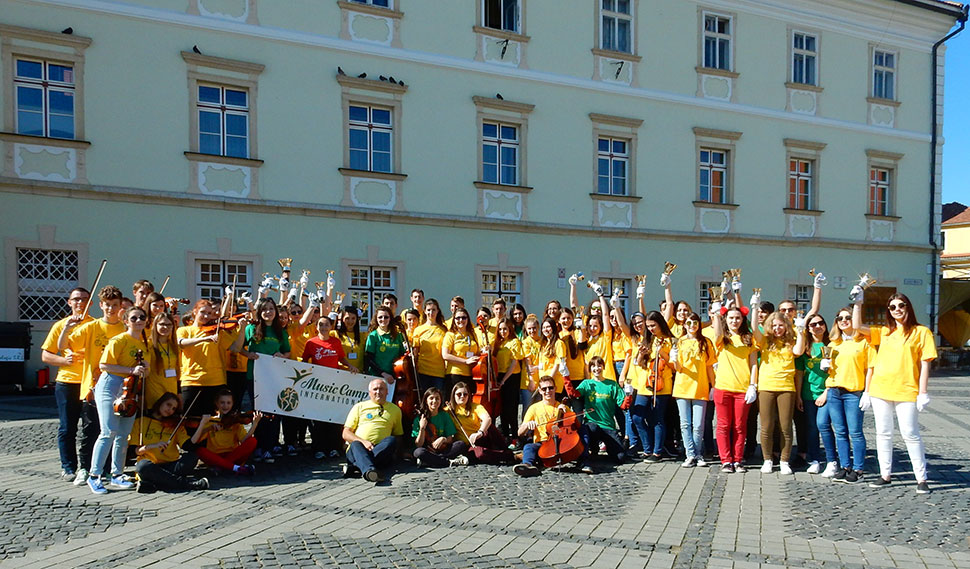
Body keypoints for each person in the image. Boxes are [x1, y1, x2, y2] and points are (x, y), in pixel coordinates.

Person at [853, 292, 936, 494]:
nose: (897, 310)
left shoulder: (921, 332)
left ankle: (921, 477)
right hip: (881, 388)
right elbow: (857, 326)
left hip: (907, 389)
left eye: (901, 305)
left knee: (910, 433)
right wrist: (858, 302)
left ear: (908, 307)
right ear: (889, 311)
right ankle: (885, 475)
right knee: (883, 433)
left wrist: (923, 392)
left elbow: (925, 364)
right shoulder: (884, 332)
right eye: (892, 307)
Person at [58, 285, 126, 487]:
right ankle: (84, 468)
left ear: (120, 306)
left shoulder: (124, 328)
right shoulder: (91, 327)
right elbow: (64, 346)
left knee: (113, 431)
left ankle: (106, 469)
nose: (111, 309)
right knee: (91, 430)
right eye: (107, 305)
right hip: (92, 387)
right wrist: (67, 327)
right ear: (101, 305)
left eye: (115, 305)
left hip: (119, 388)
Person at [85, 305, 154, 494]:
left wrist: (145, 368)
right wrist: (132, 370)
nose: (138, 321)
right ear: (126, 321)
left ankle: (117, 474)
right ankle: (94, 475)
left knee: (123, 435)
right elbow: (104, 365)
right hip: (110, 386)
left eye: (142, 317)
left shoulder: (144, 344)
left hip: (130, 390)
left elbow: (144, 371)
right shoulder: (119, 339)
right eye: (134, 318)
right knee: (108, 432)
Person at [41, 286, 91, 480]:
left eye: (84, 299)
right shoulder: (61, 325)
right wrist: (63, 361)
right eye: (76, 299)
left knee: (91, 427)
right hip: (67, 382)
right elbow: (46, 354)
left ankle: (87, 467)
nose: (80, 303)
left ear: (90, 303)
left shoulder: (95, 324)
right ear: (70, 302)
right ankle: (68, 467)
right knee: (67, 427)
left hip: (89, 382)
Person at [820, 305, 873, 482]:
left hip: (853, 392)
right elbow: (830, 369)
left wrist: (867, 392)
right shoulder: (833, 343)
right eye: (840, 318)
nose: (843, 321)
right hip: (835, 390)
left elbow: (870, 369)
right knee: (840, 431)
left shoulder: (864, 342)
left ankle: (858, 469)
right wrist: (825, 367)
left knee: (855, 432)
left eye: (847, 318)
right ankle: (845, 466)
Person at [752, 305, 806, 475]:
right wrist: (755, 306)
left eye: (780, 325)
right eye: (774, 325)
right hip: (766, 387)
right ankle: (767, 459)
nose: (777, 328)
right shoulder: (765, 341)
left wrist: (801, 330)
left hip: (786, 388)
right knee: (767, 426)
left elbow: (799, 350)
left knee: (785, 427)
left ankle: (784, 460)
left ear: (786, 326)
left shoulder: (791, 340)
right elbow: (754, 328)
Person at [177, 299, 247, 423]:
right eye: (203, 312)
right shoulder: (184, 330)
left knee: (214, 422)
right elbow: (181, 343)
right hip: (192, 381)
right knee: (191, 420)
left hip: (216, 381)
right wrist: (204, 339)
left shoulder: (218, 331)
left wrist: (242, 329)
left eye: (209, 313)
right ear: (195, 311)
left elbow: (235, 348)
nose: (206, 316)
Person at [710, 303, 759, 473]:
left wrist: (753, 385)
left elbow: (753, 364)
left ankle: (738, 459)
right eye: (731, 317)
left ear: (742, 319)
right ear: (726, 319)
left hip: (742, 388)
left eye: (737, 317)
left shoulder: (748, 338)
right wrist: (717, 313)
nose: (734, 321)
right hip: (723, 386)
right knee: (723, 425)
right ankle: (726, 460)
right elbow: (716, 333)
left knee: (739, 425)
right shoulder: (722, 337)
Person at [129, 392, 210, 492]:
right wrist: (151, 446)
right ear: (160, 403)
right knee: (142, 466)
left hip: (171, 464)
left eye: (174, 409)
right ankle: (187, 484)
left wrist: (202, 424)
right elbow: (133, 451)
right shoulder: (141, 421)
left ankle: (154, 482)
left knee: (192, 457)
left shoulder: (175, 424)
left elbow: (189, 445)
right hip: (151, 464)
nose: (170, 410)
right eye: (168, 405)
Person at [302, 315, 358, 458]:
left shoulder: (335, 342)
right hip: (318, 386)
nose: (324, 327)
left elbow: (341, 358)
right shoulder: (311, 343)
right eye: (321, 325)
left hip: (334, 385)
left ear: (331, 327)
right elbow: (304, 361)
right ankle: (319, 448)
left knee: (333, 417)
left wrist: (350, 366)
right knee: (318, 419)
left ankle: (334, 447)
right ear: (316, 327)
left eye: (326, 325)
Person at [242, 297, 289, 462]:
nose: (268, 312)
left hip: (273, 377)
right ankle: (259, 446)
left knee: (273, 412)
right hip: (254, 376)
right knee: (259, 412)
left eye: (271, 308)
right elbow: (239, 347)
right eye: (264, 309)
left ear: (275, 311)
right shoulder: (251, 328)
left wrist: (281, 355)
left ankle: (271, 445)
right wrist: (248, 354)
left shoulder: (280, 331)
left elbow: (287, 352)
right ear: (259, 312)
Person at [563, 356, 631, 472]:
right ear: (590, 368)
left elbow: (623, 405)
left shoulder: (612, 385)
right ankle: (592, 448)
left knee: (621, 458)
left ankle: (610, 447)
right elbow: (573, 394)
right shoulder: (586, 384)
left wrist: (629, 394)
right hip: (592, 424)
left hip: (608, 426)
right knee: (592, 428)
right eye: (593, 366)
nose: (596, 368)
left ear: (603, 367)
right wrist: (566, 376)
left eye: (599, 365)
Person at [626, 311, 675, 462]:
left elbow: (674, 366)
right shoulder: (646, 340)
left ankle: (657, 452)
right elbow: (637, 363)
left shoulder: (670, 341)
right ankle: (647, 448)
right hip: (644, 384)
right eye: (648, 326)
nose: (651, 329)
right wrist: (641, 355)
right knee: (637, 417)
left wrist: (663, 354)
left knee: (657, 419)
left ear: (660, 324)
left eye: (653, 325)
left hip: (661, 384)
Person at [671, 312, 716, 467]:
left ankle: (697, 454)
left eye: (694, 323)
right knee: (685, 424)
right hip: (683, 386)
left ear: (699, 325)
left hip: (700, 387)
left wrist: (713, 386)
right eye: (689, 323)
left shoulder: (706, 342)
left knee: (698, 424)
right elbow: (678, 368)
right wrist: (674, 359)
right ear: (684, 325)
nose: (692, 326)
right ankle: (690, 454)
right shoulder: (680, 342)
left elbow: (710, 366)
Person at [343, 379, 404, 482]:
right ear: (369, 392)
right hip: (359, 449)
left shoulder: (395, 410)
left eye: (381, 389)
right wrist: (364, 442)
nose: (378, 392)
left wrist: (399, 454)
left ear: (387, 391)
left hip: (380, 450)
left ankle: (360, 467)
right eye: (375, 389)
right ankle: (369, 470)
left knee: (391, 440)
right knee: (355, 444)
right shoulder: (359, 407)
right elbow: (346, 433)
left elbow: (398, 435)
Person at [514, 376, 571, 477]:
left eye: (550, 388)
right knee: (528, 447)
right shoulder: (534, 408)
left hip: (561, 443)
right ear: (540, 391)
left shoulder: (562, 407)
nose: (548, 391)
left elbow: (574, 426)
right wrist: (527, 425)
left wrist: (566, 414)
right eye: (544, 389)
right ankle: (527, 465)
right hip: (542, 444)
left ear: (555, 388)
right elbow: (519, 432)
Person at [195, 389, 261, 475]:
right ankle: (236, 468)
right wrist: (208, 428)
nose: (225, 406)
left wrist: (255, 424)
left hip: (233, 455)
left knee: (253, 441)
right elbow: (197, 440)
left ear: (232, 404)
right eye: (222, 402)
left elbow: (244, 441)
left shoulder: (235, 421)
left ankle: (221, 466)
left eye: (228, 403)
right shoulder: (210, 420)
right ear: (217, 403)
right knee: (200, 450)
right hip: (215, 456)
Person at [445, 382, 514, 464]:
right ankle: (510, 456)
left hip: (480, 438)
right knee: (481, 454)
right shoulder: (448, 411)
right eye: (459, 394)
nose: (462, 396)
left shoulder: (475, 406)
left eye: (465, 394)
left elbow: (487, 418)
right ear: (453, 395)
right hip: (468, 443)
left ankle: (505, 449)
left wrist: (480, 432)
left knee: (490, 427)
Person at [412, 387, 469, 467]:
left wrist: (443, 439)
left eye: (437, 398)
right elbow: (418, 444)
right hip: (429, 450)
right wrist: (422, 428)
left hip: (443, 449)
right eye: (431, 398)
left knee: (461, 444)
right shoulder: (419, 419)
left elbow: (450, 438)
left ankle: (432, 461)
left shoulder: (444, 415)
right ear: (426, 401)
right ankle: (449, 462)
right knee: (418, 452)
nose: (434, 401)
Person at [492, 317, 525, 438]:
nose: (502, 331)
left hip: (511, 377)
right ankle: (505, 435)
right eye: (500, 329)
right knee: (502, 409)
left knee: (511, 408)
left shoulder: (514, 342)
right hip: (499, 376)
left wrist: (503, 380)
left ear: (510, 329)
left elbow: (514, 363)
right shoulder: (498, 343)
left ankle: (515, 436)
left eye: (505, 329)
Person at [412, 299, 448, 395]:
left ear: (437, 311)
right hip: (423, 370)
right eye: (428, 310)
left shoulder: (444, 330)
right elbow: (415, 352)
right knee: (424, 399)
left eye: (433, 310)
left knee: (437, 399)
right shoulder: (418, 330)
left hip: (438, 372)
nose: (431, 312)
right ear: (424, 311)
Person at [441, 307, 480, 394]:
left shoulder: (472, 334)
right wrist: (465, 361)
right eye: (458, 318)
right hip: (455, 374)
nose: (461, 320)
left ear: (468, 319)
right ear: (454, 319)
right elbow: (445, 355)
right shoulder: (450, 335)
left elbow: (476, 352)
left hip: (471, 375)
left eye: (464, 317)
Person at [146, 312, 180, 409]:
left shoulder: (174, 346)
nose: (165, 327)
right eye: (162, 324)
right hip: (155, 391)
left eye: (169, 324)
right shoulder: (148, 345)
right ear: (155, 325)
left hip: (171, 390)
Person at [364, 306, 405, 384]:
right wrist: (383, 373)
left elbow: (402, 355)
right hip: (377, 377)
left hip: (395, 376)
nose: (383, 319)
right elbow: (369, 359)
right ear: (376, 319)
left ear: (390, 318)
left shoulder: (398, 335)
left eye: (386, 317)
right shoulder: (373, 336)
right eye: (380, 317)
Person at [335, 305, 366, 371]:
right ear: (342, 319)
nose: (350, 321)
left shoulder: (363, 336)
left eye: (353, 318)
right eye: (347, 318)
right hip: (341, 373)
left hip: (358, 374)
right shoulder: (335, 334)